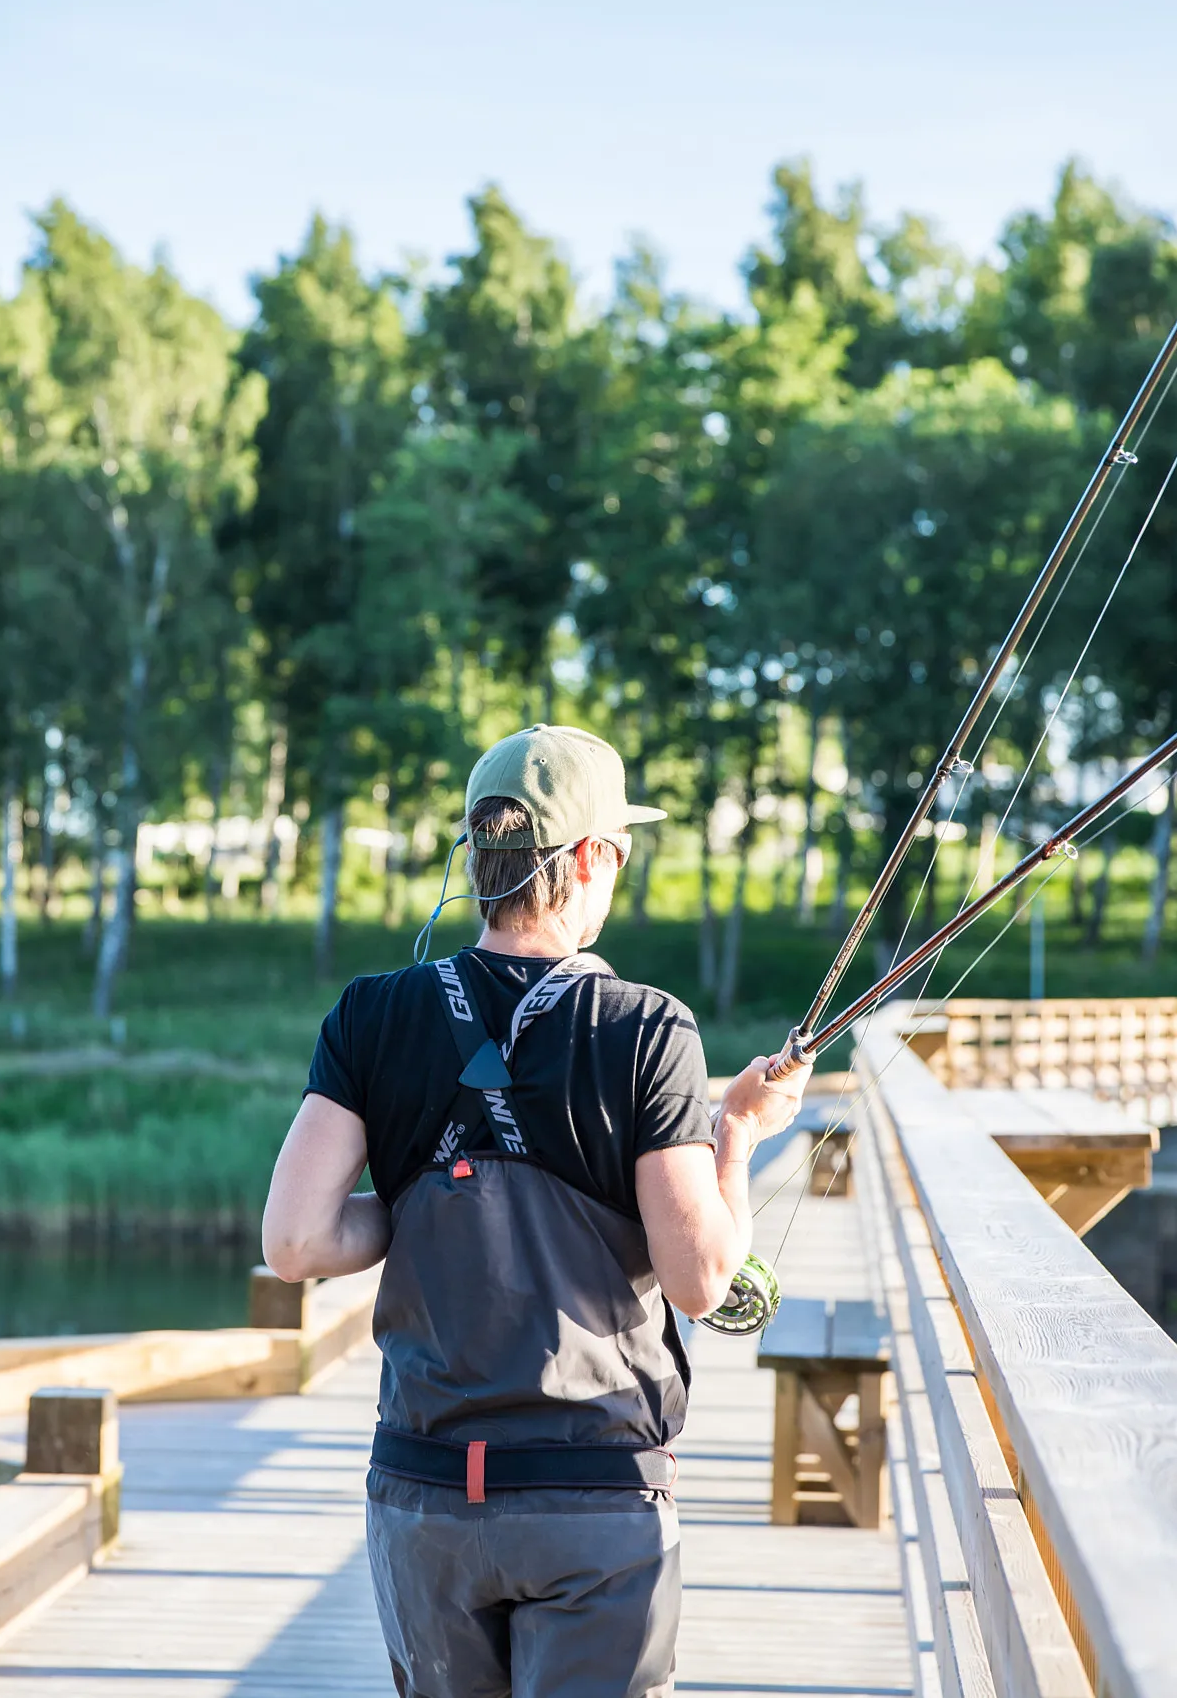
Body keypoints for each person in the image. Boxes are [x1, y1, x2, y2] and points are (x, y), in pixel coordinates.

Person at [261, 723, 810, 1698]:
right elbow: (701, 1278)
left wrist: (421, 1199)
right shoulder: (646, 1028)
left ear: (479, 857)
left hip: (425, 1492)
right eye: (622, 852)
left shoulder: (371, 1014)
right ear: (591, 857)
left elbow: (297, 1240)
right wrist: (737, 1137)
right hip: (593, 1501)